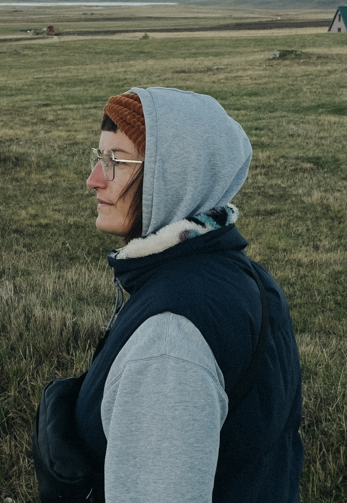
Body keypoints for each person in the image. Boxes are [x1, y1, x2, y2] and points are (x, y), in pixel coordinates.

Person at [35, 87, 303, 502]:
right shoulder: (241, 273)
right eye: (98, 157)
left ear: (175, 173)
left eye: (117, 161)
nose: (93, 179)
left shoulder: (170, 342)